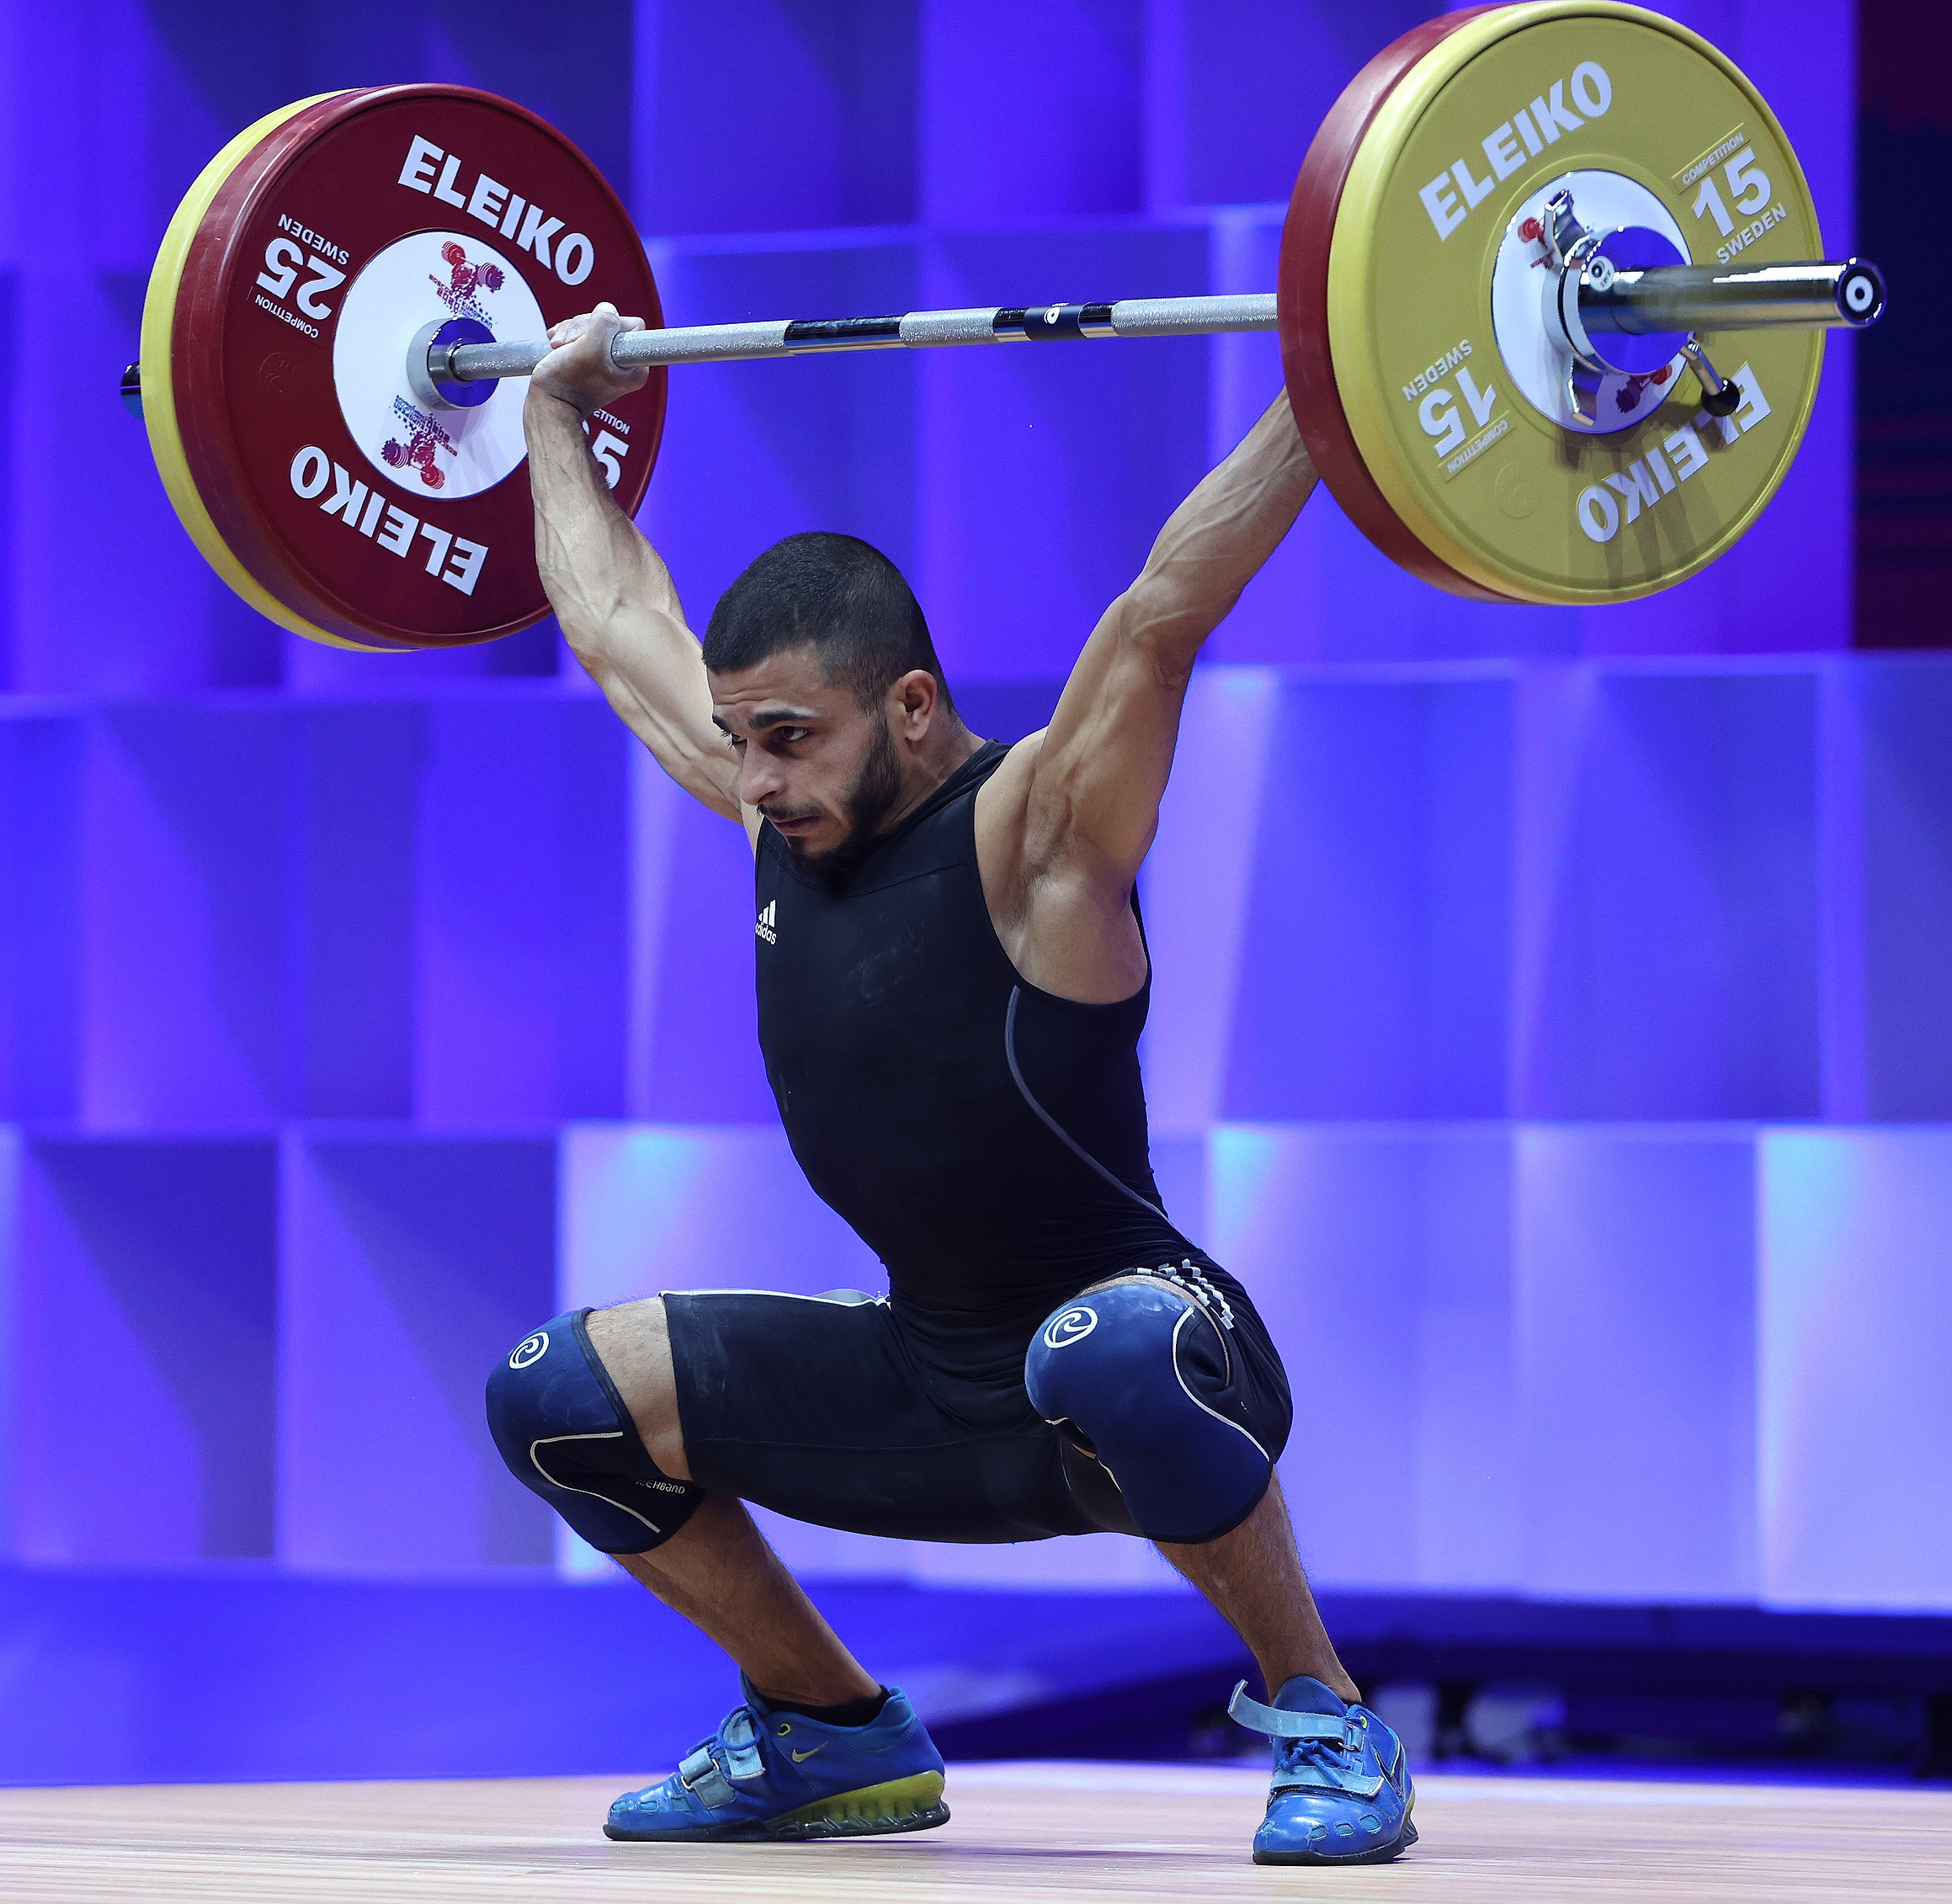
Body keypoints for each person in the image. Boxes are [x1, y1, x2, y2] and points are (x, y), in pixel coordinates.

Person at [484, 303, 1415, 1868]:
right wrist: (549, 413)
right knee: (556, 1396)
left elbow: (1165, 609)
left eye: (790, 738)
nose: (756, 779)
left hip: (1155, 1359)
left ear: (911, 706)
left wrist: (1337, 373)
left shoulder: (1037, 834)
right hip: (930, 1377)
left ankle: (1326, 1714)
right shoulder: (782, 811)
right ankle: (828, 1728)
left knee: (1107, 1346)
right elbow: (613, 618)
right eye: (742, 740)